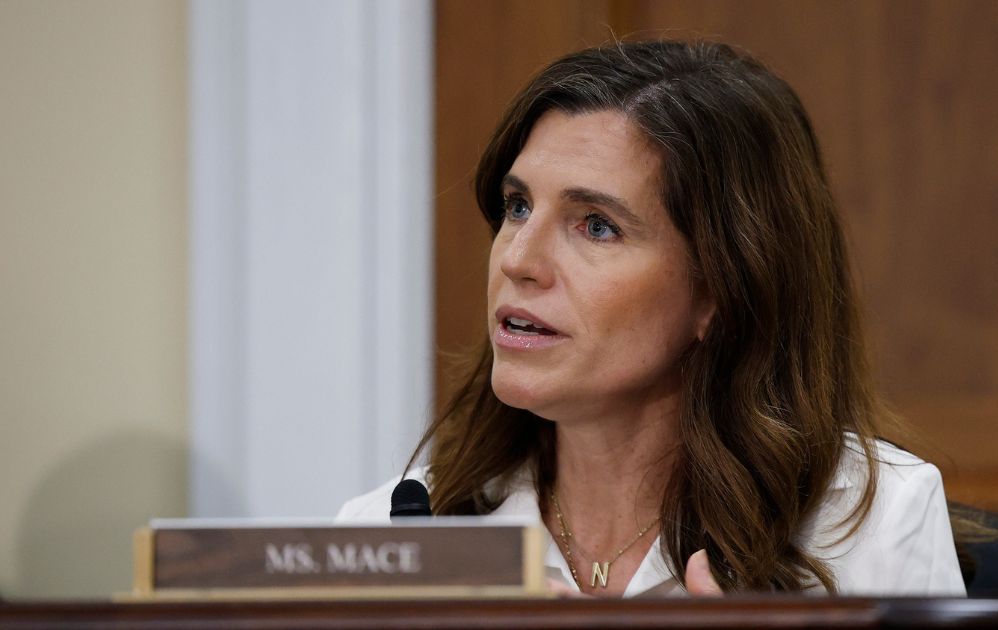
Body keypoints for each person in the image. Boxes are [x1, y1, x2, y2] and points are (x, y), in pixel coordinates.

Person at [339, 40, 966, 598]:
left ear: (720, 289)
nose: (518, 259)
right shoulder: (389, 536)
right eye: (518, 205)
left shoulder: (874, 524)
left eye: (597, 225)